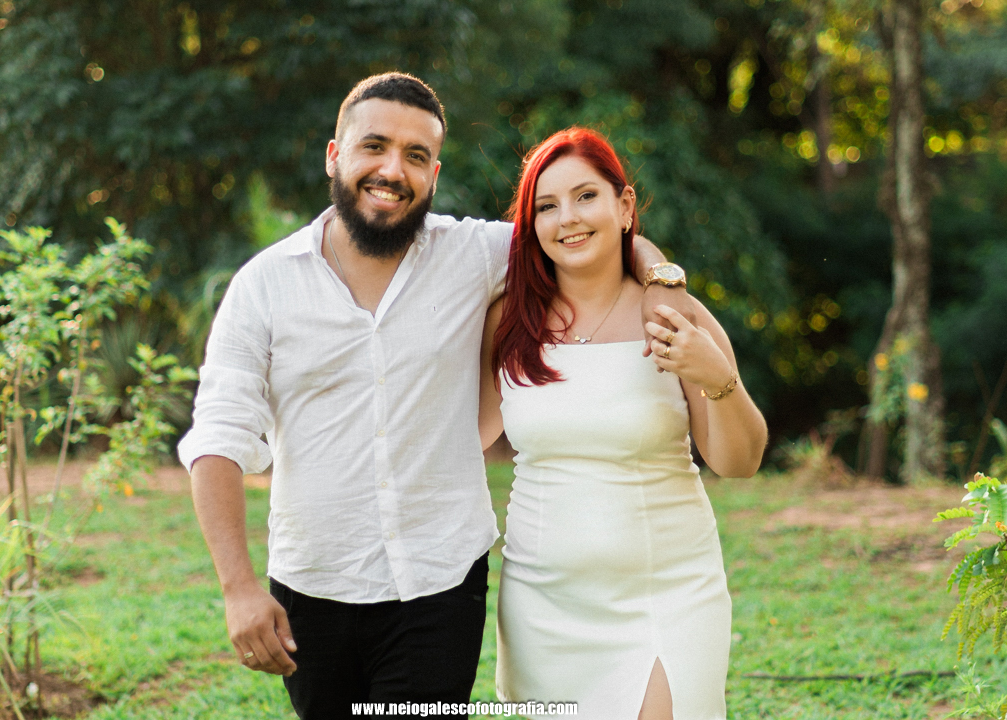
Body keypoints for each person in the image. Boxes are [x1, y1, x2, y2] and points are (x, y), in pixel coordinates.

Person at [178, 73, 689, 719]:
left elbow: (590, 235)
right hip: (313, 586)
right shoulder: (264, 286)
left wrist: (663, 280)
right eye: (374, 146)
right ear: (334, 155)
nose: (393, 170)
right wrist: (238, 588)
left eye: (415, 155)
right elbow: (218, 435)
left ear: (434, 173)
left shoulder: (472, 254)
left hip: (441, 582)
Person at [479, 127, 767, 720]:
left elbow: (740, 461)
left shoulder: (672, 316)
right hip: (543, 602)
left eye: (586, 196)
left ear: (625, 204)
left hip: (668, 593)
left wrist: (717, 375)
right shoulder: (507, 321)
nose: (568, 218)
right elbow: (460, 438)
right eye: (547, 206)